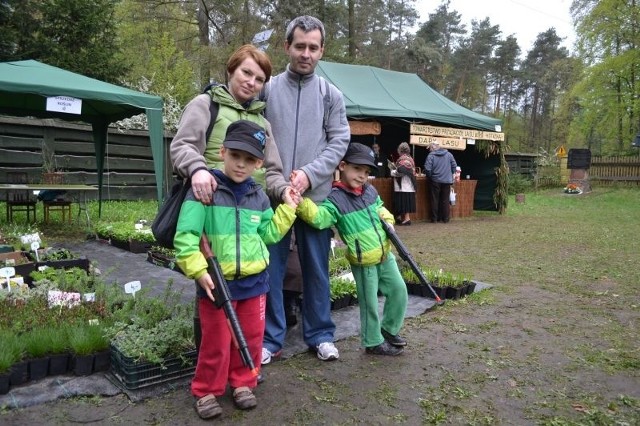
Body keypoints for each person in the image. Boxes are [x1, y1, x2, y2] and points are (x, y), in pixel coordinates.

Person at [169, 44, 290, 376]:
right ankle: (208, 375)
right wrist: (197, 169)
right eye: (246, 73)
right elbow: (181, 146)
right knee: (210, 296)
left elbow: (273, 171)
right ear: (231, 70)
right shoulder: (204, 104)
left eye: (259, 78)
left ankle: (240, 373)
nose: (251, 82)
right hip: (209, 208)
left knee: (249, 301)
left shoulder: (262, 122)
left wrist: (284, 191)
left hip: (249, 210)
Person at [174, 120, 300, 420]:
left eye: (249, 160)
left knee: (253, 337)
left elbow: (269, 234)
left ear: (259, 163)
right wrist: (198, 270)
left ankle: (243, 382)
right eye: (235, 157)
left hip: (255, 283)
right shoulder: (204, 191)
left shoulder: (258, 196)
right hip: (216, 285)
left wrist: (288, 210)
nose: (241, 165)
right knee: (215, 341)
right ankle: (205, 390)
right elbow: (186, 237)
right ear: (222, 152)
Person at [261, 15, 351, 364]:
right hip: (274, 198)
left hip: (314, 199)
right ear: (287, 47)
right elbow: (258, 136)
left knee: (316, 268)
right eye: (300, 46)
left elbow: (339, 141)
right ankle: (271, 338)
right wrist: (282, 182)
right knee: (271, 268)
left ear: (321, 50)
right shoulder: (267, 90)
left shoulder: (331, 95)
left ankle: (321, 334)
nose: (306, 54)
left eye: (313, 48)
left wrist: (309, 176)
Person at [296, 143, 408, 356]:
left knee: (399, 290)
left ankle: (389, 329)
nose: (362, 175)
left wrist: (388, 218)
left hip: (385, 254)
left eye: (366, 172)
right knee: (370, 304)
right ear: (343, 165)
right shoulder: (335, 199)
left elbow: (380, 207)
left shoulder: (370, 191)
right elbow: (319, 219)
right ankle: (373, 342)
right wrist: (300, 202)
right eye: (357, 169)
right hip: (364, 261)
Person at [424, 141, 457, 223]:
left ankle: (435, 219)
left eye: (430, 148)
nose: (429, 150)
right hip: (447, 180)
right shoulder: (449, 154)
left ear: (432, 148)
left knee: (435, 200)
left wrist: (430, 177)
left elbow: (427, 169)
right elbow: (454, 166)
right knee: (445, 200)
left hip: (435, 180)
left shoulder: (431, 156)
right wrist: (451, 174)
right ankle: (445, 219)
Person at [390, 142, 416, 226]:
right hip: (409, 185)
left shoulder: (402, 159)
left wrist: (392, 171)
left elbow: (400, 172)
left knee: (403, 202)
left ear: (400, 150)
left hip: (403, 185)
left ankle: (406, 219)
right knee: (406, 202)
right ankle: (403, 218)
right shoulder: (410, 159)